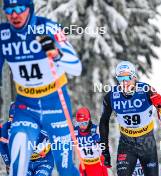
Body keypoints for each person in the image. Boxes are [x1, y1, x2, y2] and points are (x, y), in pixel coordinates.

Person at [0, 0, 82, 175]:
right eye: (9, 10)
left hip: (55, 104)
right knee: (20, 146)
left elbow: (76, 67)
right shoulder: (3, 35)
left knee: (65, 167)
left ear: (29, 8)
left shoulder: (48, 28)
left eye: (20, 9)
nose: (15, 15)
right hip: (26, 106)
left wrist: (57, 54)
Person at [99, 61, 161, 176]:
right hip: (126, 144)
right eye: (120, 78)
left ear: (134, 77)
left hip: (147, 143)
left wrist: (160, 105)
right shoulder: (111, 96)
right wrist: (105, 151)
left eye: (128, 78)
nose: (124, 82)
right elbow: (103, 122)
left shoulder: (146, 90)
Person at [0, 103, 54, 176]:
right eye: (12, 119)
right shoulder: (5, 129)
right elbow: (2, 146)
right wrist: (8, 162)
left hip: (44, 160)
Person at [74, 107, 108, 176]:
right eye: (80, 123)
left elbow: (104, 145)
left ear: (89, 120)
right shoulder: (75, 131)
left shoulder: (95, 129)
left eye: (85, 123)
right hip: (84, 165)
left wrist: (99, 140)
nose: (82, 126)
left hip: (97, 165)